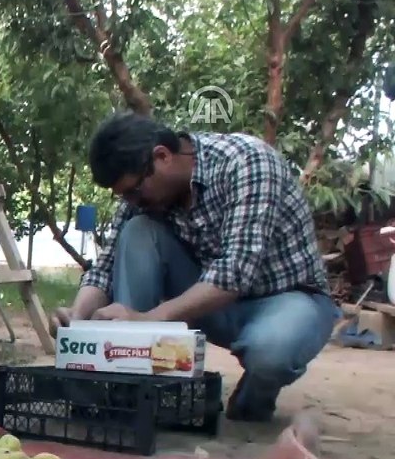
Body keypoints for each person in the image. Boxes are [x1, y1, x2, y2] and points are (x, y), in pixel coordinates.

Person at [54, 111, 338, 422]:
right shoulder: (143, 194)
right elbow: (106, 267)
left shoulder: (247, 162)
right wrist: (78, 317)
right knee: (137, 231)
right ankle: (130, 385)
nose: (132, 201)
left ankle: (256, 394)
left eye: (134, 191)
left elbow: (235, 272)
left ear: (162, 157)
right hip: (209, 304)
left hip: (287, 299)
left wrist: (148, 320)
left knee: (271, 352)